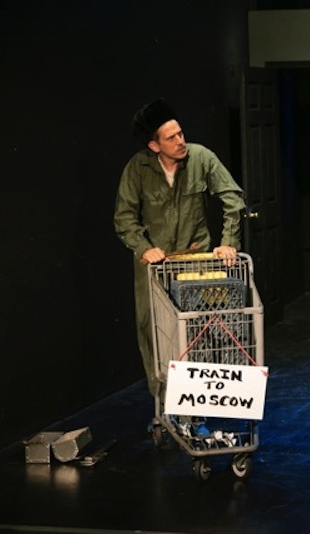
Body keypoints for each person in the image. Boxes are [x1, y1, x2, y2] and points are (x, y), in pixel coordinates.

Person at [114, 98, 246, 397]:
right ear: (154, 145)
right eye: (171, 138)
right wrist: (143, 247)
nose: (180, 141)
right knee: (155, 335)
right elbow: (124, 217)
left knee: (198, 333)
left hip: (195, 263)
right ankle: (165, 408)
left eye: (180, 134)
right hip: (156, 268)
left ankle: (196, 408)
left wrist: (228, 243)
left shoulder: (201, 158)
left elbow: (233, 199)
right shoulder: (139, 168)